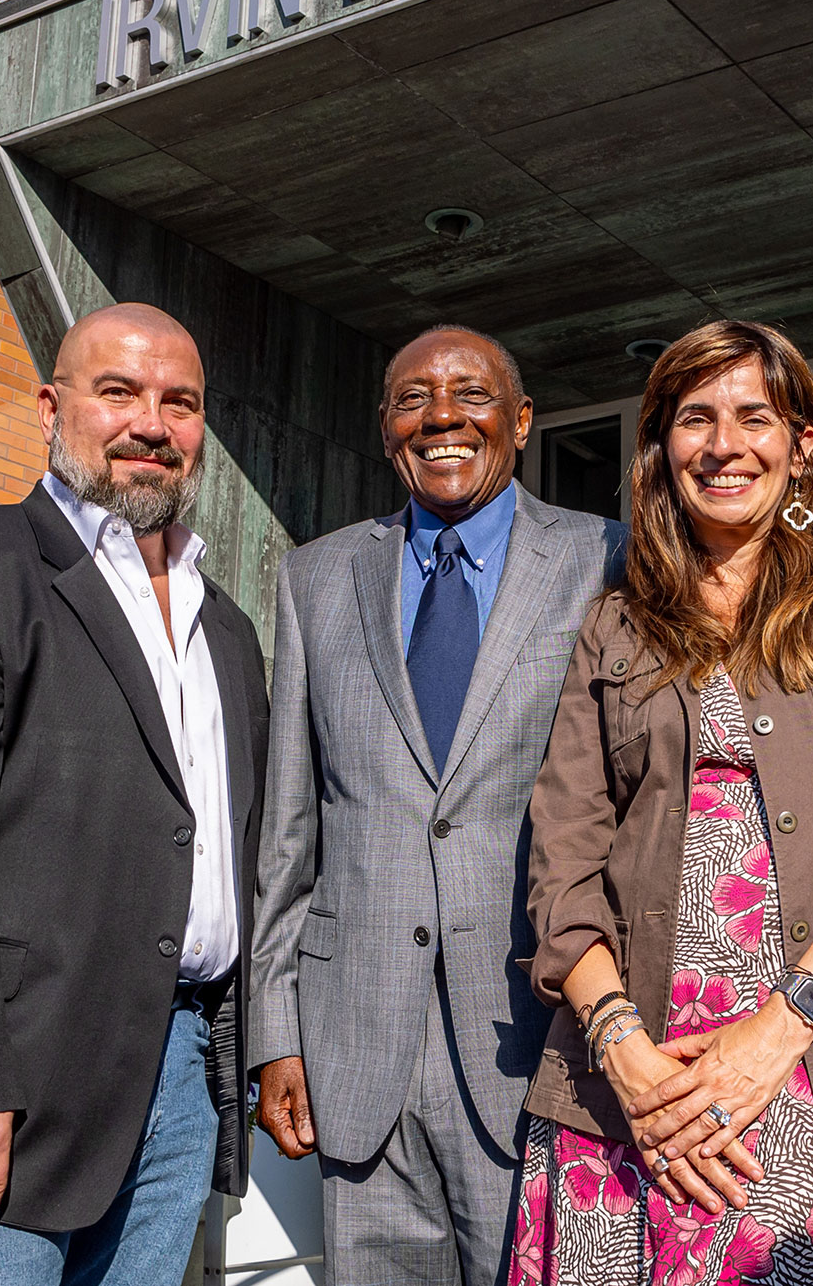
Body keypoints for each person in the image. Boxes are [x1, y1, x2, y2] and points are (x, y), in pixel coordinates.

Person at [513, 318, 813, 1285]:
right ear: (662, 448)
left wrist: (775, 1036)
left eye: (754, 417)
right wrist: (629, 1061)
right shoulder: (616, 623)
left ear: (803, 445)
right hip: (629, 1084)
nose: (724, 445)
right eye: (694, 418)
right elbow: (562, 860)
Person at [0, 303, 266, 1282]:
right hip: (4, 1080)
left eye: (180, 402)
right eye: (117, 391)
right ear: (51, 404)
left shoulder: (231, 631)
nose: (150, 424)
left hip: (177, 1081)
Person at [251, 325, 623, 1286]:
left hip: (538, 1032)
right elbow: (291, 829)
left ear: (523, 420)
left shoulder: (604, 561)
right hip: (354, 1038)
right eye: (414, 398)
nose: (444, 417)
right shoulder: (315, 577)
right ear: (385, 429)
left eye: (472, 394)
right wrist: (274, 1034)